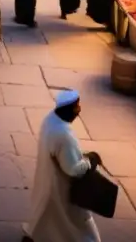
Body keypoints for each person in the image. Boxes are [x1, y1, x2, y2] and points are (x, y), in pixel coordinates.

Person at [23, 90, 101, 242]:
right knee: (77, 224)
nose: (79, 111)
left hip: (47, 180)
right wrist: (90, 161)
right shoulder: (64, 135)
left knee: (45, 213)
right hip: (62, 188)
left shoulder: (49, 120)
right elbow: (73, 170)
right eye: (77, 107)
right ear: (70, 109)